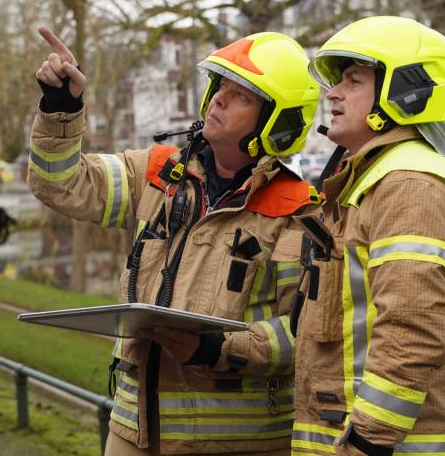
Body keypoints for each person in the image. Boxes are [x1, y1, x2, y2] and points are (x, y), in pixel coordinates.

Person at [29, 27, 321, 455]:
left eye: (240, 94)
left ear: (277, 122)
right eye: (219, 85)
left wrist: (217, 348)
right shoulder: (157, 174)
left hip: (237, 444)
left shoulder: (299, 212)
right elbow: (60, 184)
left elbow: (308, 335)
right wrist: (61, 107)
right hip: (134, 429)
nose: (218, 98)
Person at [290, 16, 445, 455]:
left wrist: (365, 442)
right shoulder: (376, 178)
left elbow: (411, 331)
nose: (332, 93)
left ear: (406, 91)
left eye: (353, 80)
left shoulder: (411, 185)